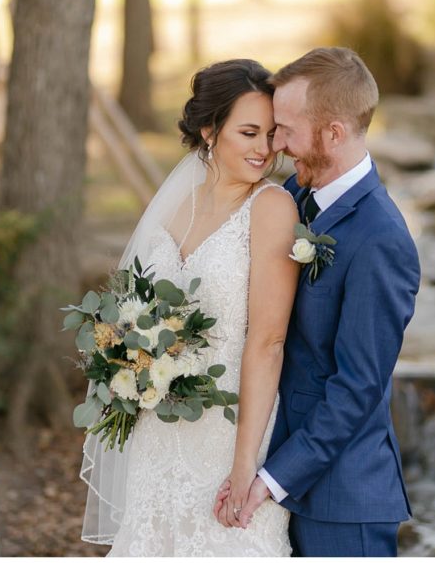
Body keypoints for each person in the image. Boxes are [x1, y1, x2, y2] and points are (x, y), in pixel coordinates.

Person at [80, 59, 299, 556]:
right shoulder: (176, 206)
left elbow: (268, 342)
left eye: (271, 133)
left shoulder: (271, 209)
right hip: (158, 433)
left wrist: (247, 466)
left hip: (229, 434)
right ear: (209, 130)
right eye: (248, 132)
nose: (264, 149)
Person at [213, 47, 421, 557]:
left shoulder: (381, 240)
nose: (276, 145)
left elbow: (356, 389)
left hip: (341, 505)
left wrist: (271, 479)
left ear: (334, 133)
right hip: (280, 473)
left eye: (285, 129)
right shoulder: (293, 196)